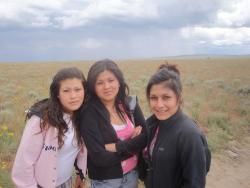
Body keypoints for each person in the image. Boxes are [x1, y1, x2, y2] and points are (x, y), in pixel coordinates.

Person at [12, 67, 87, 188]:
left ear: (85, 91)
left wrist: (81, 174)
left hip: (66, 182)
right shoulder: (42, 120)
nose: (73, 96)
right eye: (66, 91)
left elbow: (81, 150)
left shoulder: (82, 116)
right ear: (57, 94)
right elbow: (24, 162)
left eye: (78, 89)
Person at [79, 59, 147, 188]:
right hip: (106, 181)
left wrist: (116, 147)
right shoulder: (88, 113)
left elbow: (144, 138)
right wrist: (132, 145)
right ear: (93, 86)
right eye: (100, 83)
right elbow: (99, 157)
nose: (106, 86)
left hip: (132, 175)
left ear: (119, 82)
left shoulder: (130, 104)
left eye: (111, 80)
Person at [143, 63, 210, 188]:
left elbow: (195, 183)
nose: (159, 104)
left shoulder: (189, 135)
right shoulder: (151, 124)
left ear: (178, 98)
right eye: (153, 98)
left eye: (166, 97)